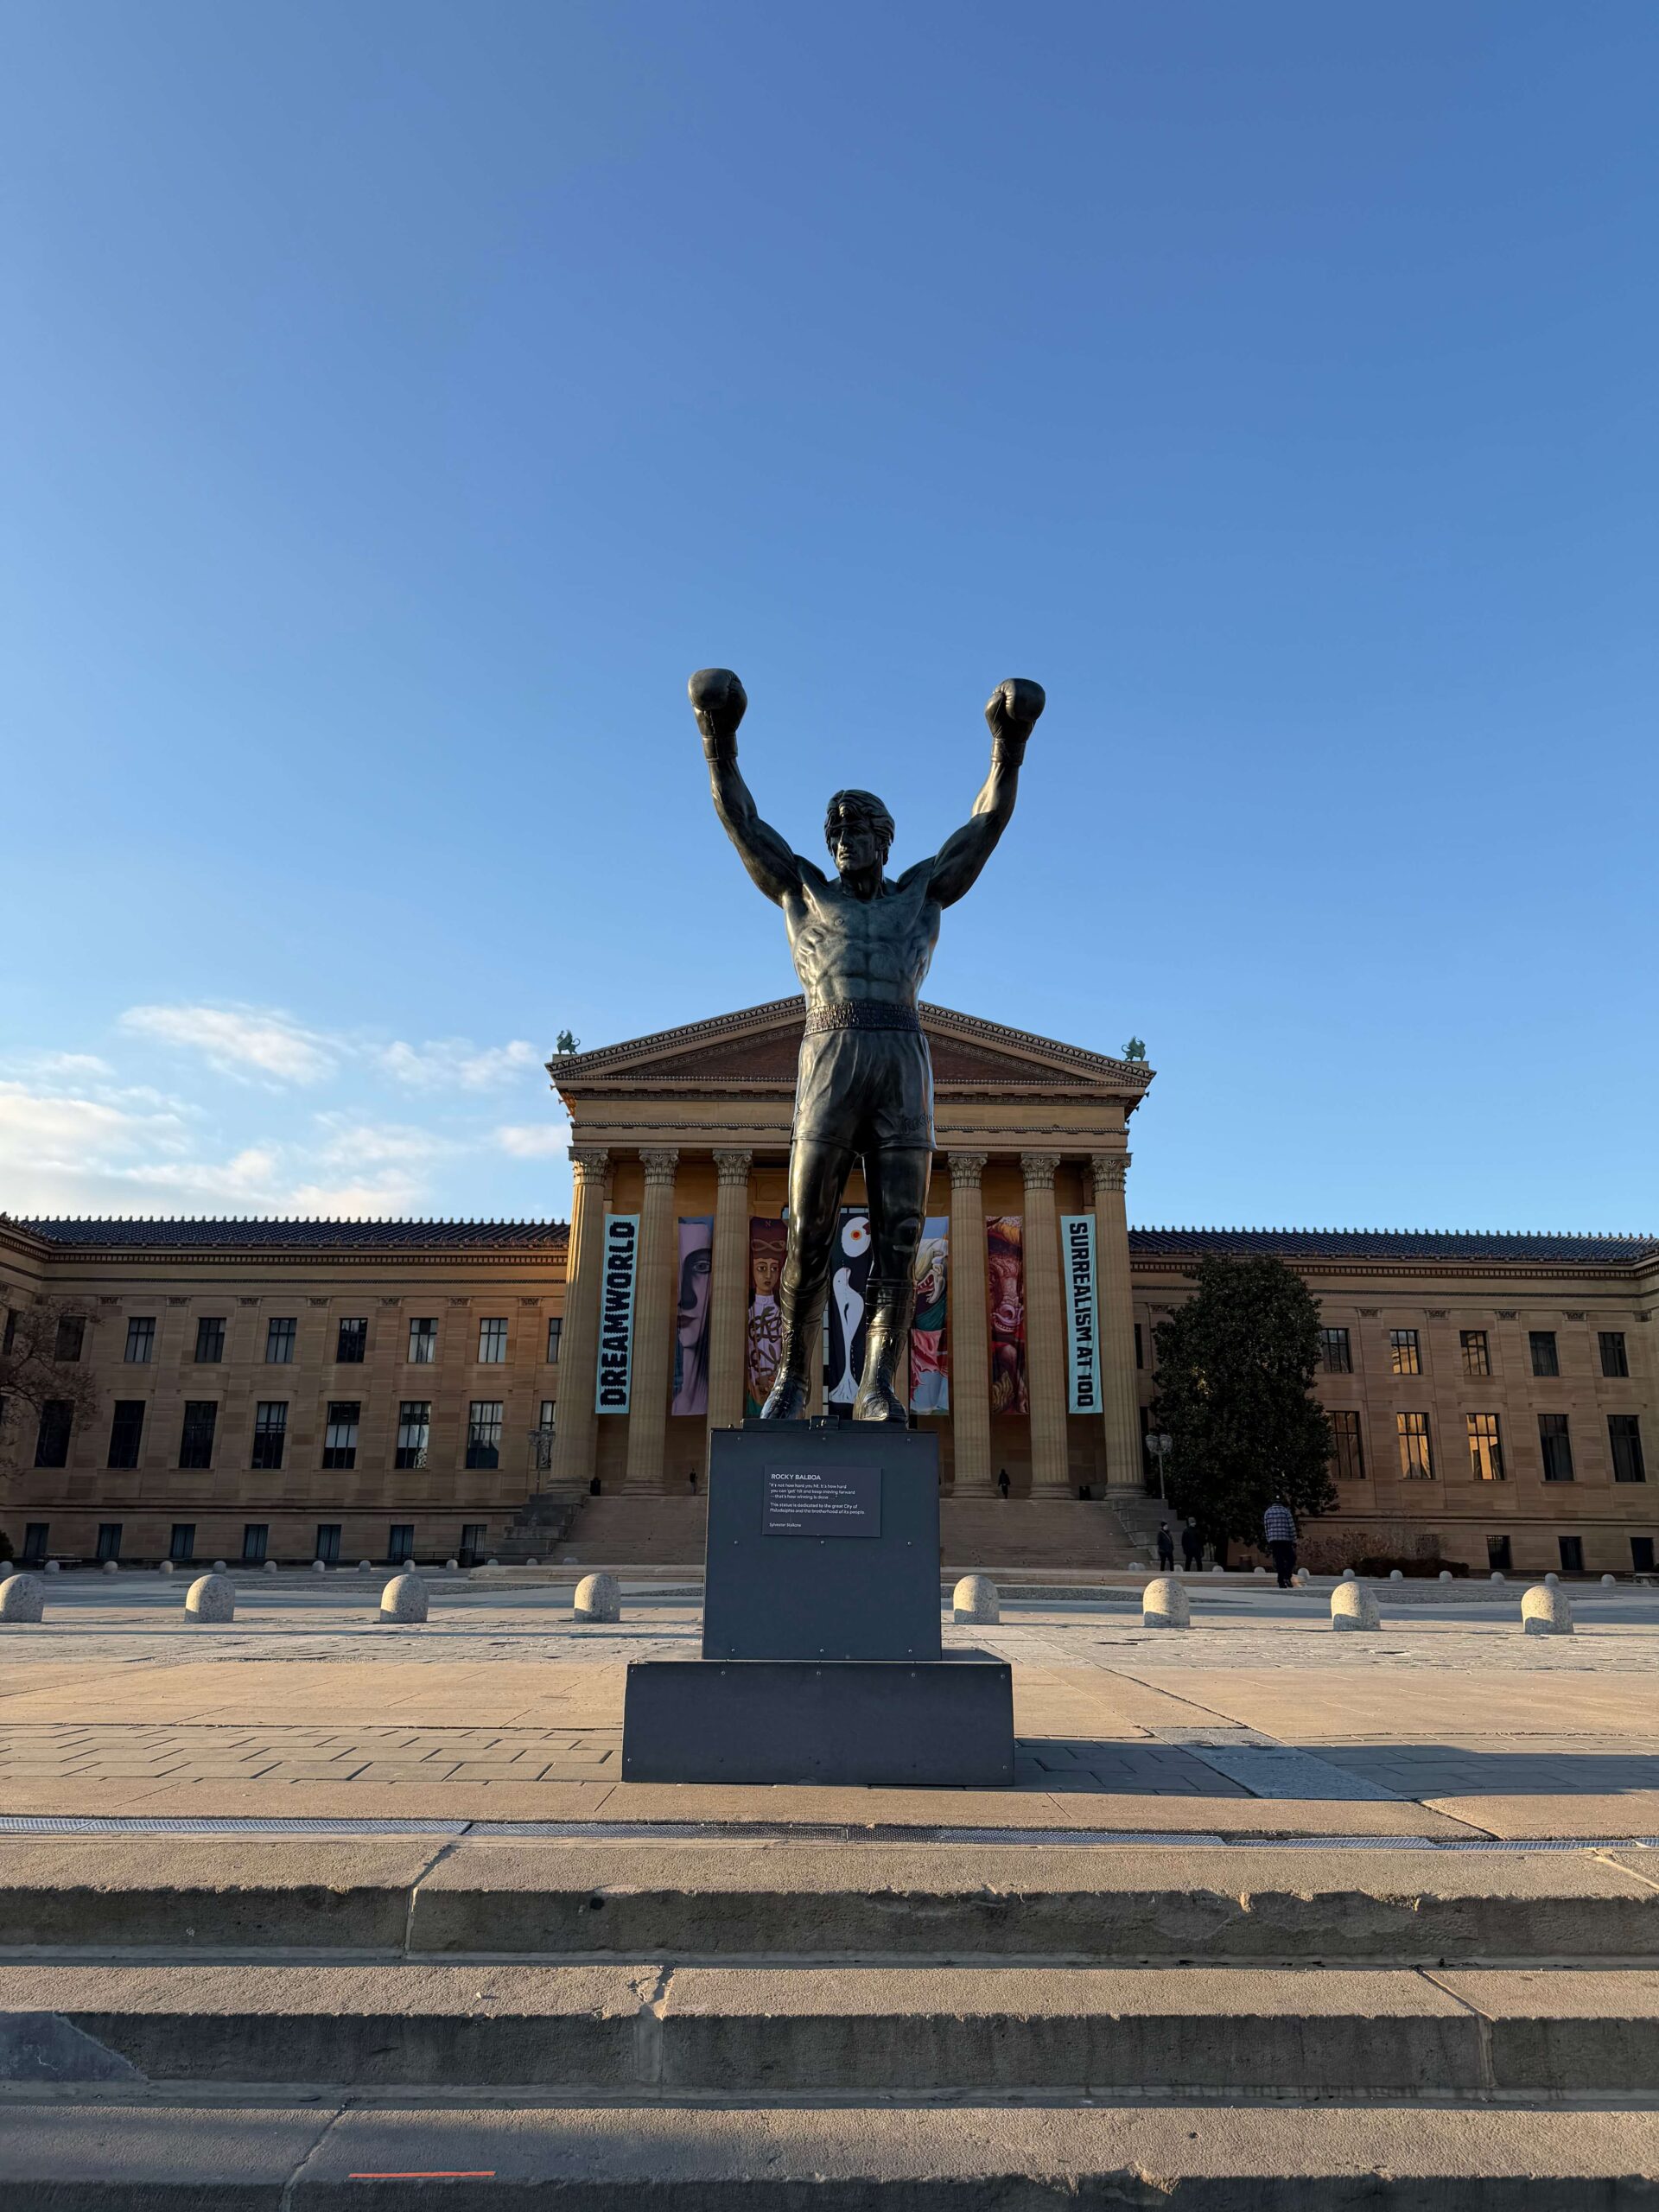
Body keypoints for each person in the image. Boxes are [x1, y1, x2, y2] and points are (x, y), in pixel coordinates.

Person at [694, 664, 1043, 1421]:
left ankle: (881, 1387)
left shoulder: (922, 892)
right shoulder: (802, 892)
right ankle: (792, 1381)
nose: (848, 839)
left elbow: (984, 826)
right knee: (806, 1229)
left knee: (899, 1237)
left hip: (900, 1056)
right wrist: (718, 740)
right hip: (829, 1051)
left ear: (887, 840)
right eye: (838, 830)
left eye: (861, 829)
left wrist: (1006, 746)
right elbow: (740, 820)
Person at [1263, 1496, 1298, 1588]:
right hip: (1285, 1539)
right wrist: (1294, 1538)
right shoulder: (1286, 1512)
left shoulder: (1268, 1512)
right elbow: (1291, 1526)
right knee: (1291, 1558)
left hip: (1274, 1540)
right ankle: (1287, 1576)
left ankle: (1281, 1581)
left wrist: (1269, 1539)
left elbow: (1266, 1527)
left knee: (1279, 1560)